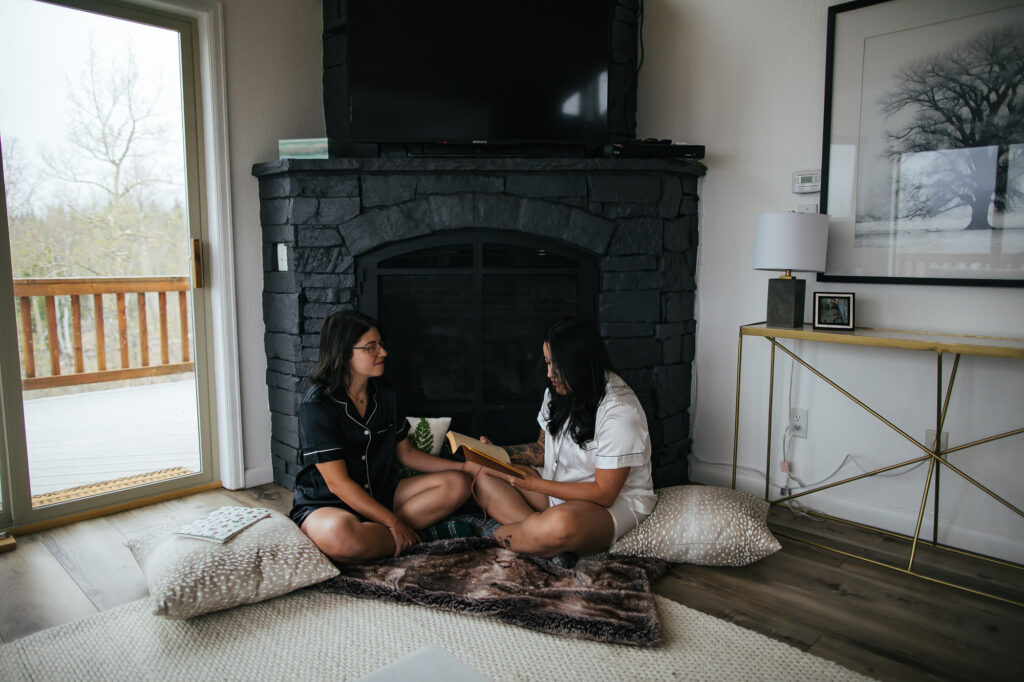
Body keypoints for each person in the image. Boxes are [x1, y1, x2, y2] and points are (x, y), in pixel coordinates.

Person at [289, 310, 474, 563]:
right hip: (329, 503)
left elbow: (406, 455)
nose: (383, 353)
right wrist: (393, 520)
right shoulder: (317, 406)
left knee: (459, 483)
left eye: (382, 345)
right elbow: (338, 484)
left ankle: (389, 536)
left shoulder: (385, 394)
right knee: (340, 537)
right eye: (371, 347)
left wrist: (465, 466)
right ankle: (417, 536)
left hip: (382, 492)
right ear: (343, 353)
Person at [472, 317, 657, 559]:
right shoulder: (557, 392)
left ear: (581, 363)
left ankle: (496, 534)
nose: (550, 373)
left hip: (607, 506)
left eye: (557, 365)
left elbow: (604, 493)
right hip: (557, 489)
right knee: (481, 471)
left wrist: (536, 485)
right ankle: (542, 539)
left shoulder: (620, 411)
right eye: (547, 363)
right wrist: (498, 454)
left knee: (561, 523)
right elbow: (541, 449)